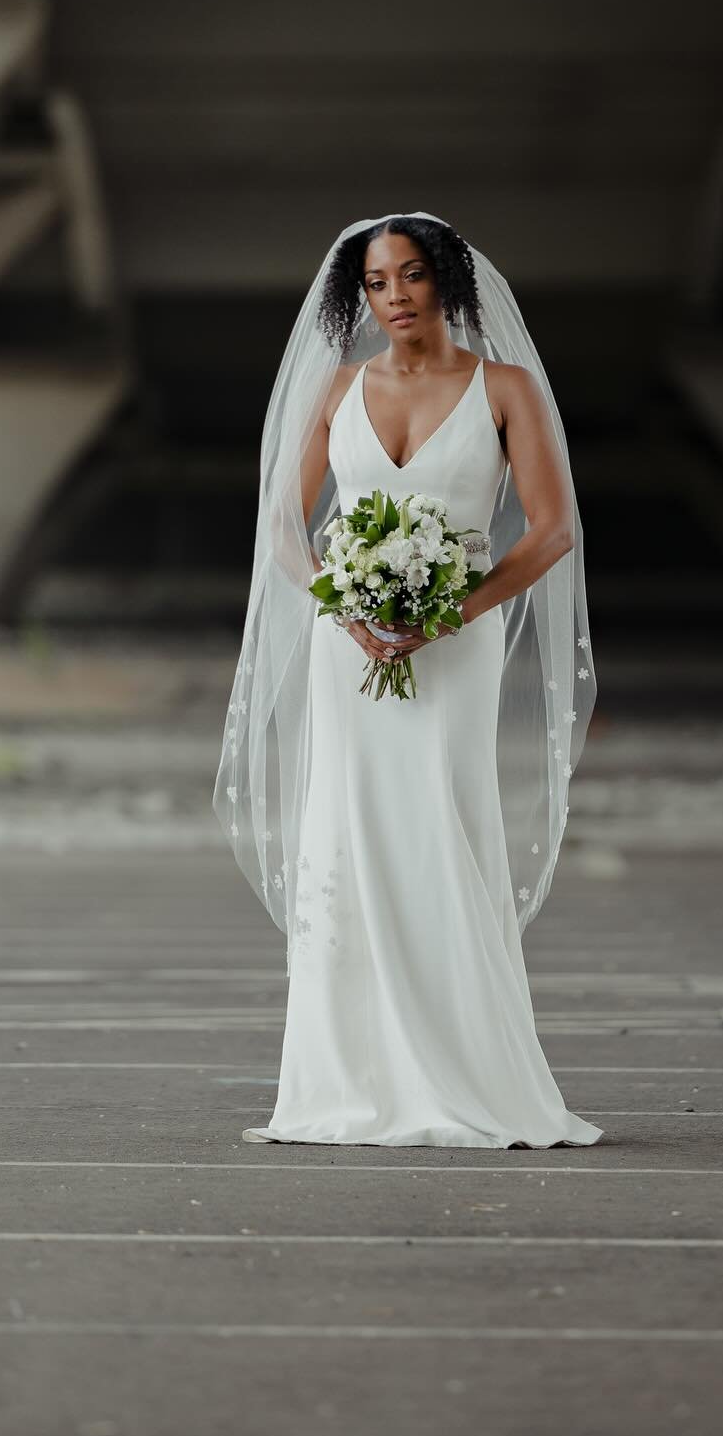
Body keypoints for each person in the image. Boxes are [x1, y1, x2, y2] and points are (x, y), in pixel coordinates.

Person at [213, 211, 602, 1148]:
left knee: (441, 828)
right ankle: (344, 1083)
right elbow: (281, 528)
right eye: (379, 282)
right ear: (361, 295)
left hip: (454, 648)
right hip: (351, 649)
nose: (396, 296)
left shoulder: (503, 388)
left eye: (413, 276)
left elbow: (551, 530)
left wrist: (449, 612)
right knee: (346, 836)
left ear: (448, 283)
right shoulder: (339, 388)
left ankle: (470, 1076)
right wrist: (346, 609)